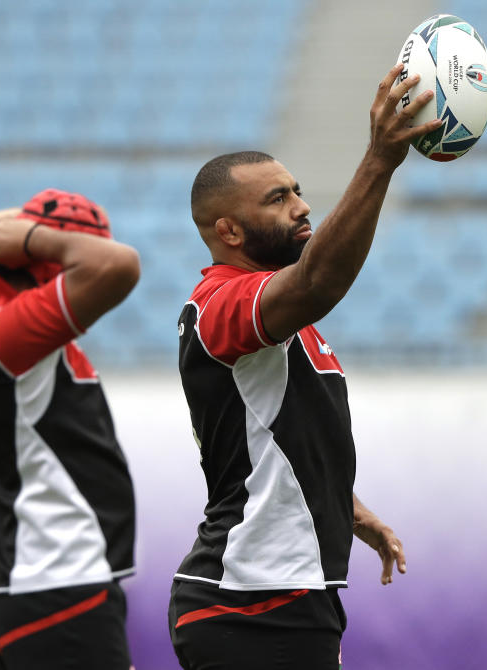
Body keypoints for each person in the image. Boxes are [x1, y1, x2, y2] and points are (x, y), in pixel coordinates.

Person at [167, 64, 443, 669]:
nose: (301, 205)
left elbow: (273, 441)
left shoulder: (277, 315)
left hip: (285, 600)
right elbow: (318, 278)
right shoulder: (220, 304)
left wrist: (341, 504)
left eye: (295, 189)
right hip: (246, 603)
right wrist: (379, 161)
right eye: (278, 198)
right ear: (229, 230)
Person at [0, 189, 139, 670]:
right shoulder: (13, 335)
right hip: (57, 586)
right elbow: (119, 266)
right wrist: (37, 235)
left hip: (42, 585)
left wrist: (12, 229)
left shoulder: (4, 318)